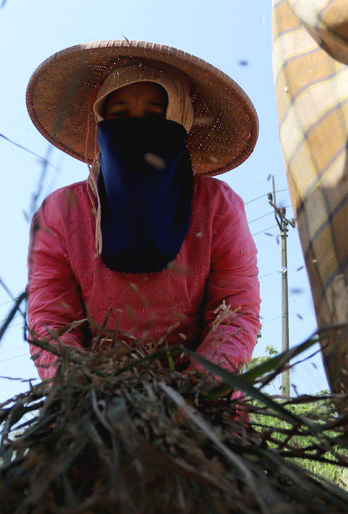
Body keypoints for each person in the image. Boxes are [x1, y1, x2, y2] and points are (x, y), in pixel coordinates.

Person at [24, 40, 261, 380]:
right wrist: (81, 388)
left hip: (206, 411)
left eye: (154, 116)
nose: (135, 127)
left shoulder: (216, 206)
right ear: (101, 123)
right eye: (119, 115)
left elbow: (235, 312)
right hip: (92, 408)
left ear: (180, 121)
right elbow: (51, 321)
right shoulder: (61, 213)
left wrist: (196, 391)